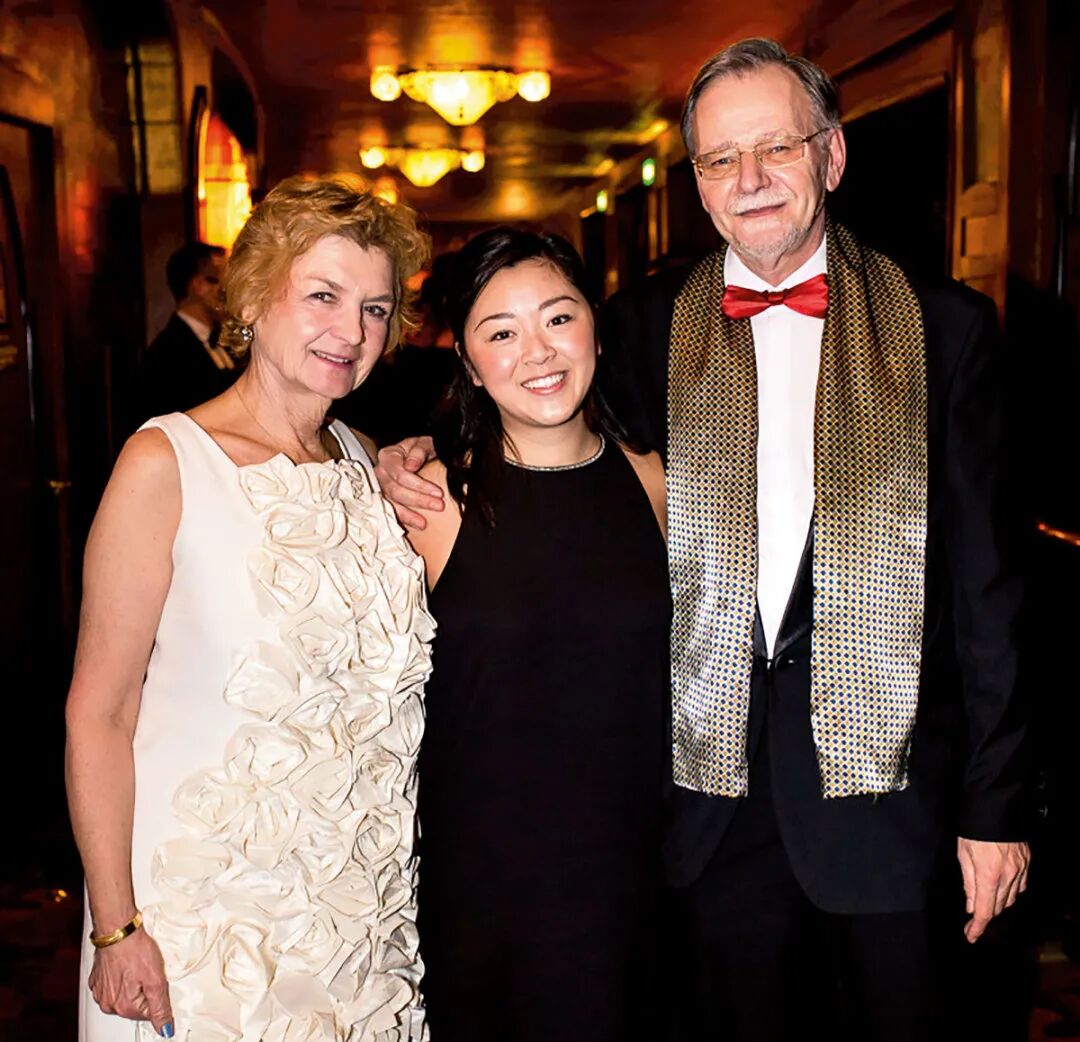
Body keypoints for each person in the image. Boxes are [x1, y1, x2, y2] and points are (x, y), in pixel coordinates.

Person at [377, 39, 1030, 1042]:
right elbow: (544, 421)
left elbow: (989, 591)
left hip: (892, 807)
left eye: (777, 148)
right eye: (722, 158)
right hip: (704, 810)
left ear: (832, 156)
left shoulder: (946, 327)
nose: (750, 178)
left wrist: (995, 809)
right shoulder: (644, 328)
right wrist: (421, 448)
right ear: (698, 184)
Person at [66, 175, 433, 1042]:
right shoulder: (165, 462)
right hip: (202, 915)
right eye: (323, 296)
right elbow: (99, 712)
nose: (352, 332)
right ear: (258, 296)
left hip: (351, 908)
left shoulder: (363, 460)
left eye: (375, 309)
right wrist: (116, 926)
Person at [405, 229, 669, 1042]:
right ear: (467, 360)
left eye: (558, 318)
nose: (538, 352)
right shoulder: (430, 502)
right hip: (487, 887)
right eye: (501, 332)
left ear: (595, 326)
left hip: (634, 874)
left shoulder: (657, 480)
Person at [138, 241, 238, 421]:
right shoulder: (166, 355)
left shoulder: (226, 341)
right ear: (198, 285)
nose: (228, 291)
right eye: (217, 280)